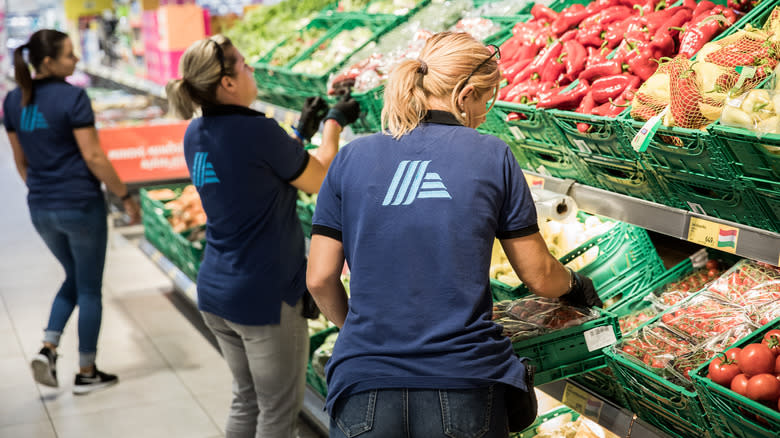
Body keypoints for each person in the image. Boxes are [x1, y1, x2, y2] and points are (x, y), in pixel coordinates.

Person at [306, 32, 603, 437]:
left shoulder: (352, 157)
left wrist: (358, 331)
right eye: (485, 99)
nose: (484, 113)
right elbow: (537, 274)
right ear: (464, 94)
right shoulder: (491, 153)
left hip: (365, 382)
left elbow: (319, 278)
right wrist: (576, 285)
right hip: (463, 381)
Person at [165, 35, 359, 438]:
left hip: (217, 289)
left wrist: (299, 136)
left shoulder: (195, 132)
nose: (251, 69)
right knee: (276, 414)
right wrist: (333, 125)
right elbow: (317, 179)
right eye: (244, 65)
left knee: (246, 400)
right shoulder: (257, 131)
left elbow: (254, 174)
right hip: (264, 297)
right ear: (227, 82)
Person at [3, 29, 141, 394]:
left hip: (41, 208)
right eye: (69, 55)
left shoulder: (15, 100)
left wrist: (44, 192)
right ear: (48, 62)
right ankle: (87, 370)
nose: (76, 60)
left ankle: (48, 347)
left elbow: (20, 162)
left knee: (74, 277)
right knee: (90, 287)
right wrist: (125, 195)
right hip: (80, 204)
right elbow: (94, 156)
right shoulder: (73, 97)